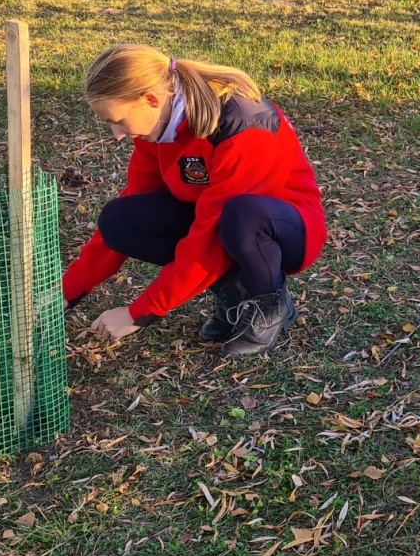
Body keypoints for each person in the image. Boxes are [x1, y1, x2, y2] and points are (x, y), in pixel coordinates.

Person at [63, 44, 326, 356]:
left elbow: (210, 236)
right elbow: (137, 200)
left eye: (118, 120)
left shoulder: (242, 123)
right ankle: (233, 293)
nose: (116, 134)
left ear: (150, 99)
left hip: (283, 228)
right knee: (119, 220)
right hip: (216, 217)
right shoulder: (155, 128)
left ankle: (270, 303)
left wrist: (140, 312)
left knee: (242, 215)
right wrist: (69, 290)